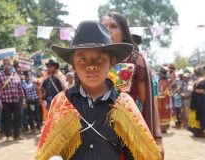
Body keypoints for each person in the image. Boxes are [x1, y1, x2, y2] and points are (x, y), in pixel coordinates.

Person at [35, 20, 161, 160]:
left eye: (100, 58)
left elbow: (140, 153)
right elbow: (47, 152)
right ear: (73, 65)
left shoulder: (124, 103)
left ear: (111, 62)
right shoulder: (62, 102)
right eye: (82, 59)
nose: (91, 66)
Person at [101, 11, 163, 155]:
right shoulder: (95, 57)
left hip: (130, 127)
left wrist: (157, 137)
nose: (108, 30)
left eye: (113, 26)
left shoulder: (135, 58)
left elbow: (147, 101)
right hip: (99, 126)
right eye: (104, 26)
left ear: (124, 32)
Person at [0, 59, 25, 141]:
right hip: (5, 102)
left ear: (11, 66)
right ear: (3, 66)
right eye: (5, 64)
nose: (7, 66)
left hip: (16, 100)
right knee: (7, 118)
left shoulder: (16, 75)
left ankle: (17, 135)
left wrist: (23, 100)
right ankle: (9, 135)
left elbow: (20, 89)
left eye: (9, 64)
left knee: (18, 117)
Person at [157, 68, 172, 133]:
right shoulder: (160, 81)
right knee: (161, 113)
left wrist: (161, 94)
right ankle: (161, 128)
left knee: (164, 113)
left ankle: (163, 128)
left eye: (160, 73)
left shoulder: (167, 82)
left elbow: (169, 92)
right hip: (161, 100)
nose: (159, 74)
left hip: (165, 101)